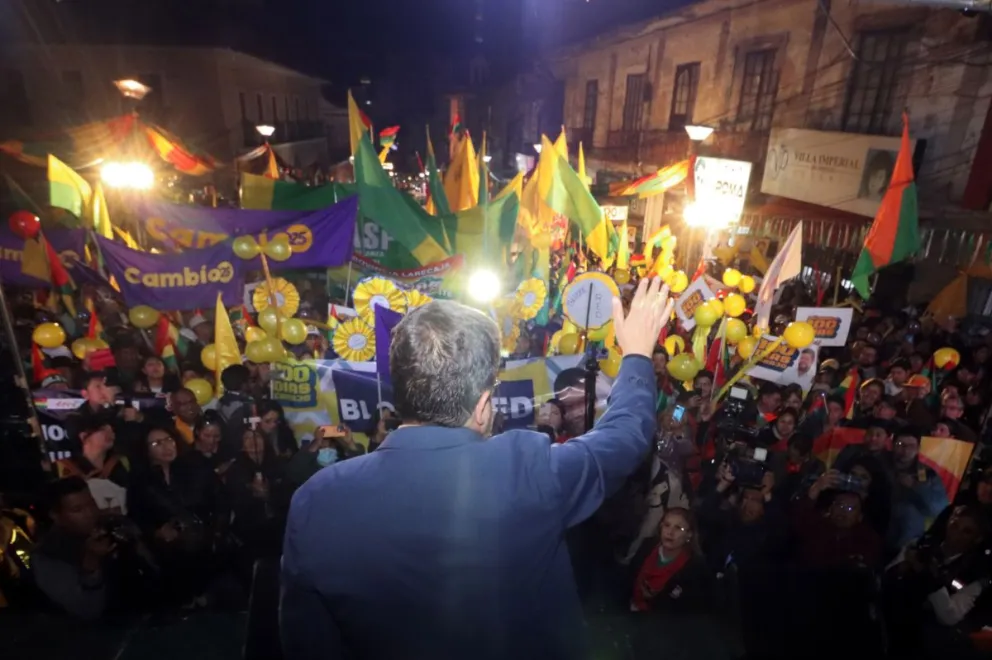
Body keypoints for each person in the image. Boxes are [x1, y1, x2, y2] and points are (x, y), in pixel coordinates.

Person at [280, 278, 672, 660]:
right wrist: (636, 353)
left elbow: (307, 642)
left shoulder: (316, 500)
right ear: (484, 405)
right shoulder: (528, 471)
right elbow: (625, 435)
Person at [33, 477, 155, 620]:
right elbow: (87, 610)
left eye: (92, 503)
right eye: (77, 510)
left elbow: (153, 570)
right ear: (56, 516)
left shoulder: (114, 524)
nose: (90, 513)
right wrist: (91, 564)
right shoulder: (49, 554)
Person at [888, 427, 949, 551]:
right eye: (900, 444)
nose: (905, 450)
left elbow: (939, 509)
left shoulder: (927, 474)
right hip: (877, 518)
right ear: (892, 445)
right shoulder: (880, 463)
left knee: (909, 511)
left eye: (911, 446)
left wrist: (916, 486)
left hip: (906, 531)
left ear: (918, 449)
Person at [56, 418, 131, 513]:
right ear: (83, 436)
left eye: (112, 430)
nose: (111, 433)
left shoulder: (122, 463)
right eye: (103, 429)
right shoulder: (62, 467)